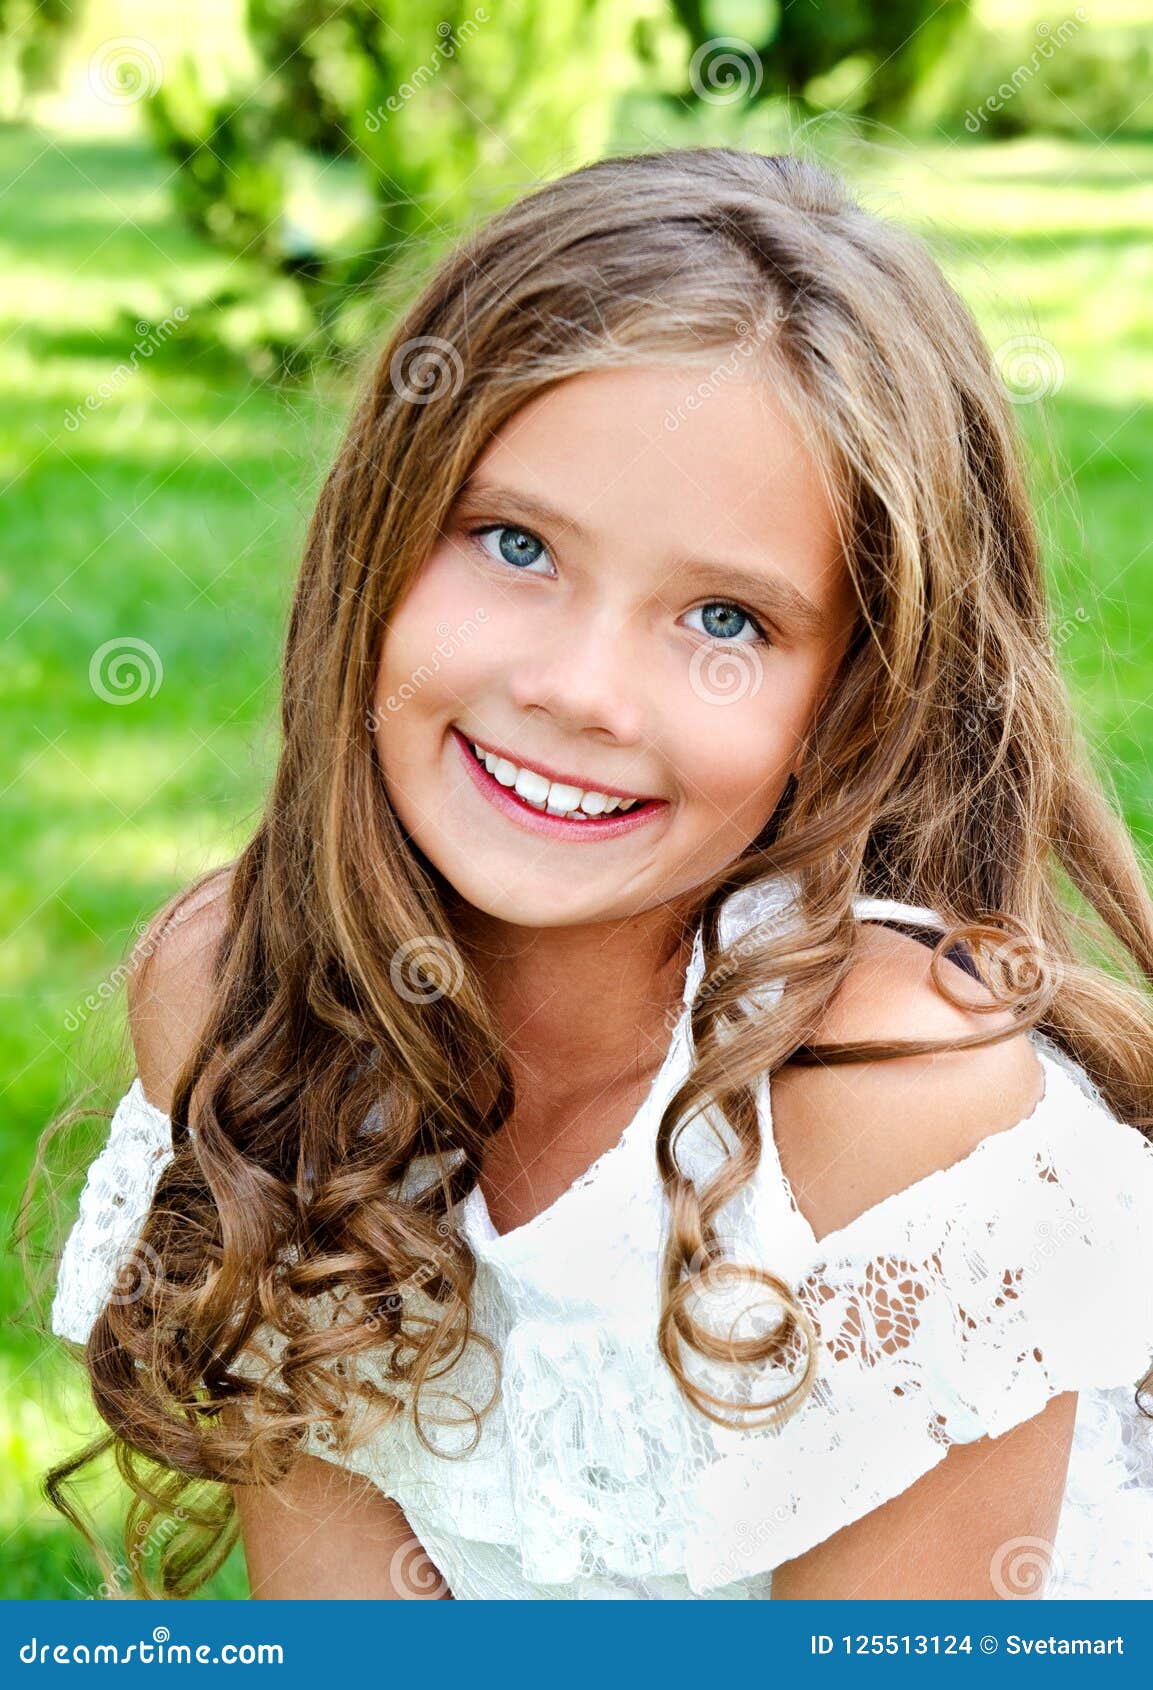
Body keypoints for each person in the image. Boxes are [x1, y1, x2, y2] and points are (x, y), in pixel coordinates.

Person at [45, 147, 1153, 1600]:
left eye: (724, 617)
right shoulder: (241, 1003)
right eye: (515, 544)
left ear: (851, 701)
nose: (581, 689)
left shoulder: (892, 1101)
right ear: (375, 540)